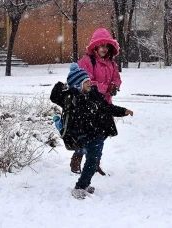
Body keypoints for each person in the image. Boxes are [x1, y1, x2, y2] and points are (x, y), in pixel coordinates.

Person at [50, 63, 133, 199]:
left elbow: (108, 107)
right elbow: (54, 97)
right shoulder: (71, 99)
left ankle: (85, 184)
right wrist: (61, 85)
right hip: (85, 135)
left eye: (88, 80)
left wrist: (123, 111)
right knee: (92, 161)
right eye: (85, 82)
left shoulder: (94, 95)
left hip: (98, 133)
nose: (89, 83)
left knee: (93, 161)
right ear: (77, 85)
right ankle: (80, 187)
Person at [69, 28, 122, 175]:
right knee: (87, 134)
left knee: (102, 134)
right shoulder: (87, 61)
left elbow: (117, 78)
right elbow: (86, 82)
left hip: (105, 105)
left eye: (107, 46)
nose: (104, 49)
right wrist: (106, 87)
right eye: (101, 46)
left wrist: (115, 86)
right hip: (89, 106)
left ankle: (95, 162)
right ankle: (78, 157)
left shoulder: (112, 63)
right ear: (95, 46)